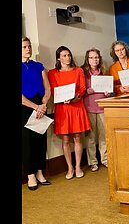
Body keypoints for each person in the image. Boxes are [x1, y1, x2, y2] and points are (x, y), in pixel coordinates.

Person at [48, 46, 91, 180]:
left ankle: (78, 166)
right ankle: (69, 167)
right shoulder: (53, 73)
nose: (68, 58)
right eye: (64, 55)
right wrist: (63, 98)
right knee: (65, 139)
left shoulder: (78, 70)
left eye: (69, 55)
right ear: (58, 58)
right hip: (62, 108)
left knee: (78, 137)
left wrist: (75, 97)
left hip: (76, 106)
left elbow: (82, 88)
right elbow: (53, 90)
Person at [22, 37, 52, 190]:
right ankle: (30, 175)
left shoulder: (39, 66)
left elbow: (47, 88)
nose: (28, 49)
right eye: (24, 47)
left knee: (40, 139)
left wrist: (44, 104)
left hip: (41, 105)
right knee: (27, 142)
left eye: (29, 46)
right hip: (25, 107)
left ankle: (40, 172)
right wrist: (36, 107)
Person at [81, 48, 111, 172]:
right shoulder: (83, 74)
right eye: (92, 57)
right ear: (87, 60)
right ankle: (93, 161)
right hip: (89, 108)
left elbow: (109, 91)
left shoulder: (104, 73)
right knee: (91, 137)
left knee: (104, 136)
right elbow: (79, 91)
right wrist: (86, 92)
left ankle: (105, 159)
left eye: (96, 57)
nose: (94, 60)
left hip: (103, 108)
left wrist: (108, 93)